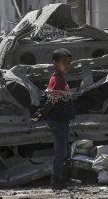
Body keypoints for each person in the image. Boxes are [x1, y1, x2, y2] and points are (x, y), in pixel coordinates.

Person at [32, 48, 76, 190]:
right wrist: (42, 113)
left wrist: (41, 112)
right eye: (64, 62)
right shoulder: (58, 80)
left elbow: (48, 98)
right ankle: (57, 182)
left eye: (69, 62)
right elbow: (51, 101)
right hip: (57, 120)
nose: (67, 65)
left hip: (60, 120)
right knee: (60, 152)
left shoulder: (57, 78)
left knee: (65, 150)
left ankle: (65, 179)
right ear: (55, 63)